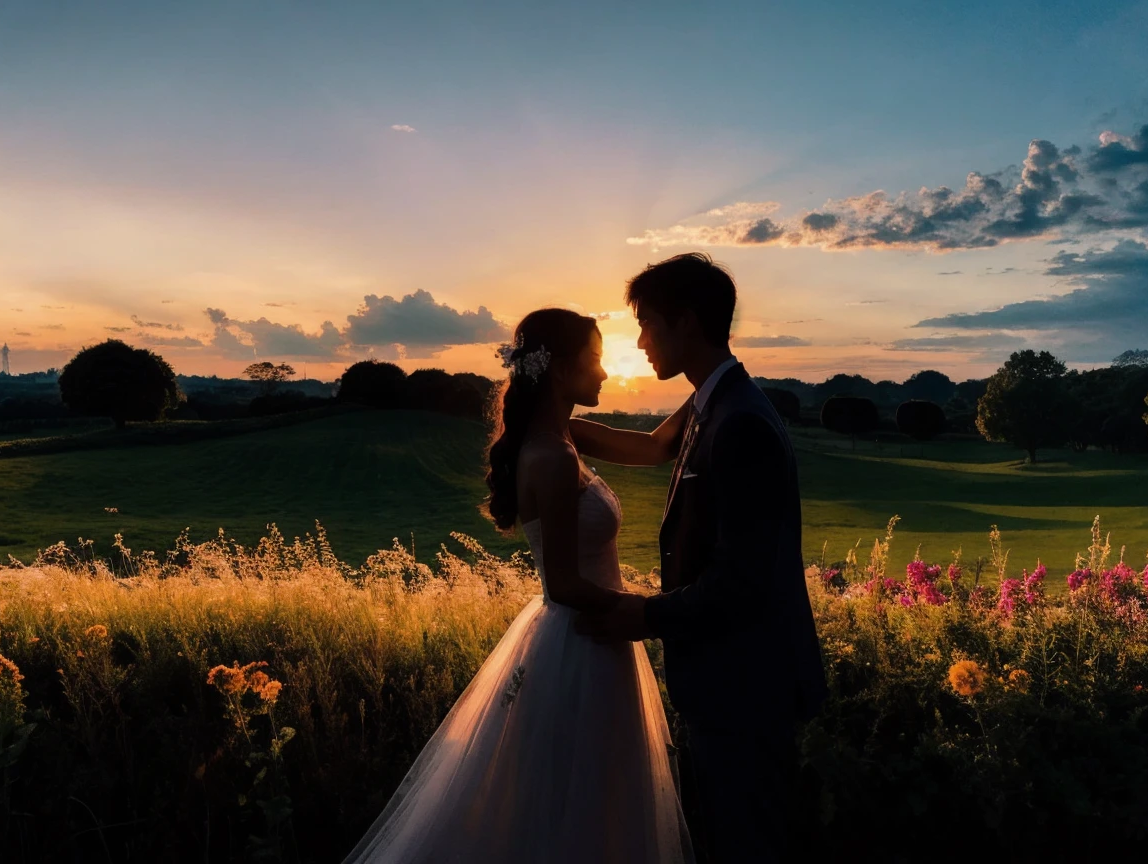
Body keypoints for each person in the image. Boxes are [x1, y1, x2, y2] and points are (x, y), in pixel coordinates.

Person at [344, 308, 693, 863]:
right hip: (585, 642)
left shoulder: (566, 435)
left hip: (590, 636)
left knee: (596, 797)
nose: (605, 373)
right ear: (558, 370)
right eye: (596, 360)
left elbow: (653, 447)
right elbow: (563, 583)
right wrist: (650, 614)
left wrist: (709, 389)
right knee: (578, 799)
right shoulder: (553, 456)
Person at [573, 252, 828, 863]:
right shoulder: (715, 401)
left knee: (743, 842)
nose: (639, 342)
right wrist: (550, 426)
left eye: (648, 325)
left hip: (745, 687)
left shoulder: (738, 423)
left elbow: (742, 581)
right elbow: (653, 444)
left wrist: (645, 616)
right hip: (728, 682)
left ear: (685, 323)